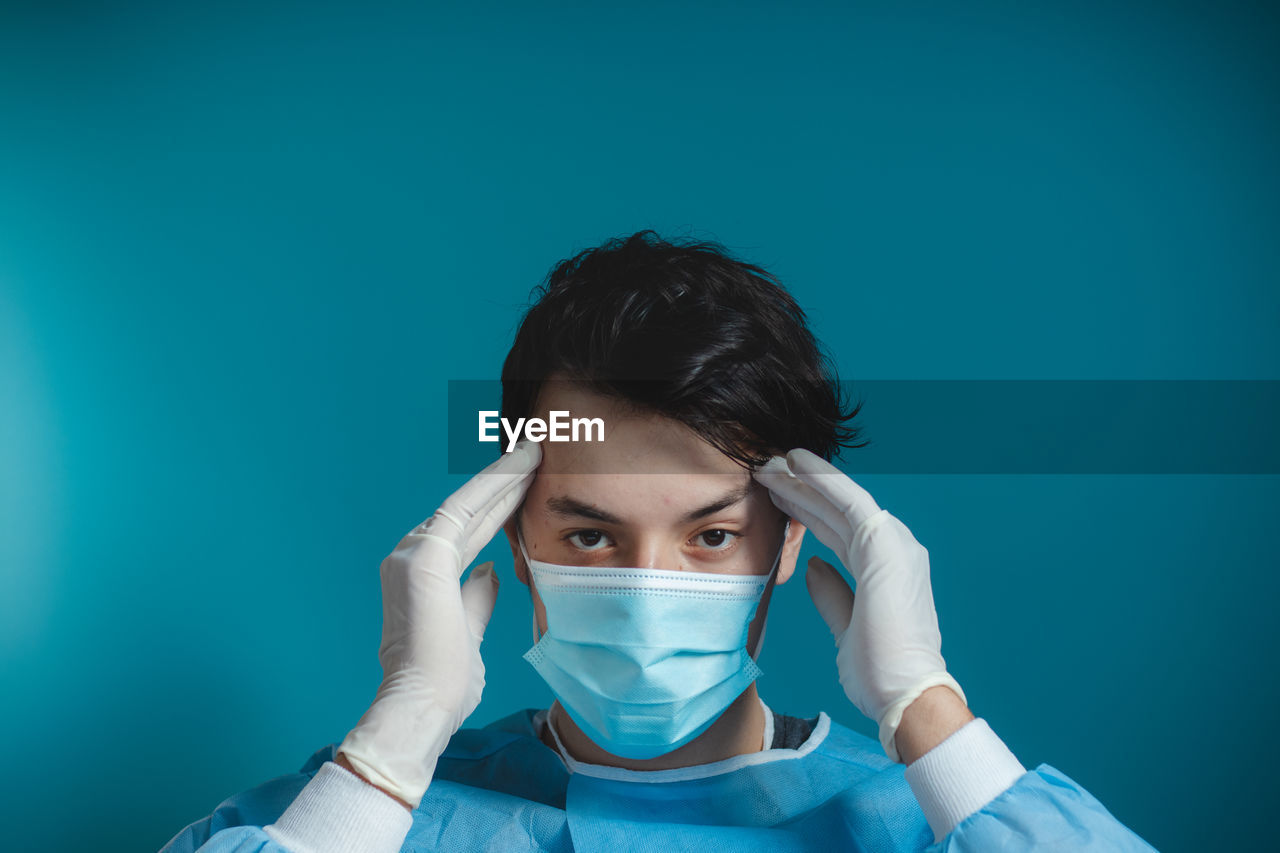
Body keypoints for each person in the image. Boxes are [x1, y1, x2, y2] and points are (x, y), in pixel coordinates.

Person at [162, 232, 1159, 852]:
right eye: (589, 532)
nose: (646, 590)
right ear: (509, 533)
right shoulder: (356, 817)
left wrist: (927, 710)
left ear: (792, 539)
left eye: (712, 533)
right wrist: (394, 739)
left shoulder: (916, 823)